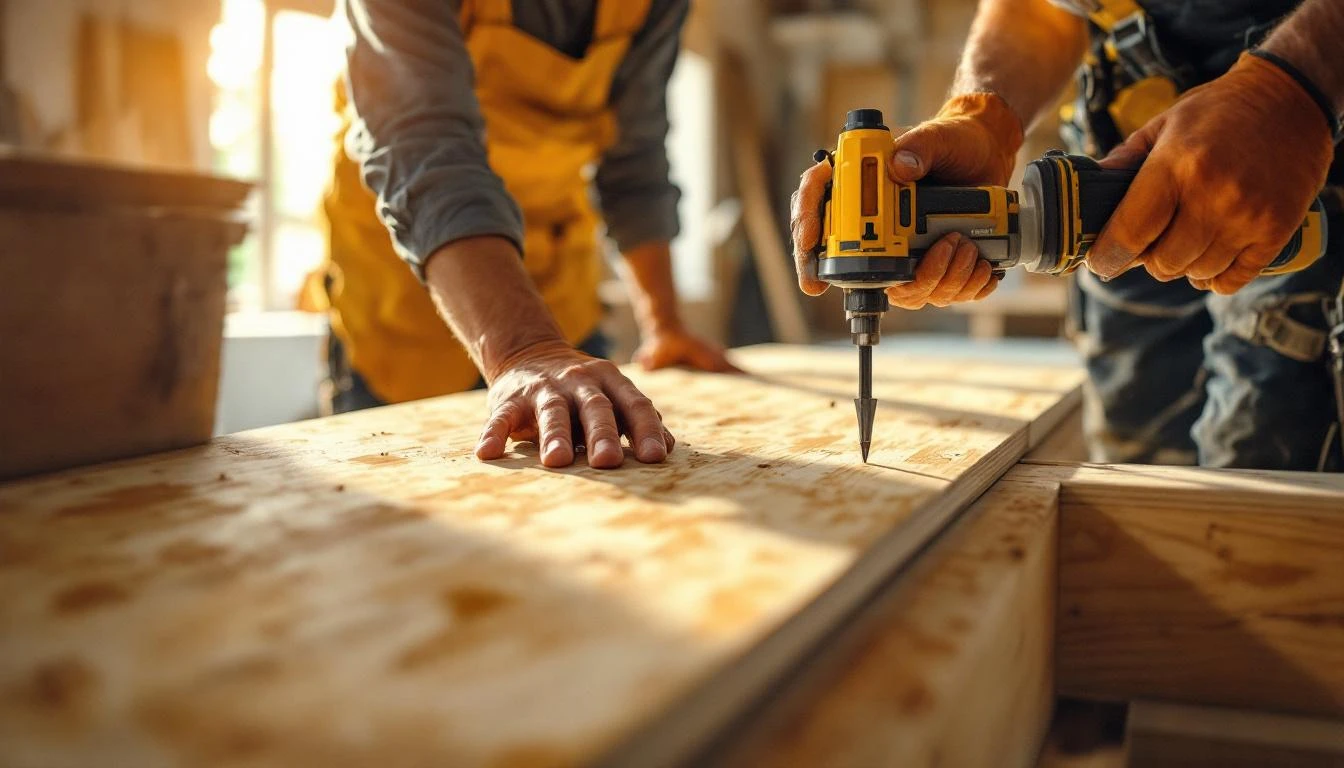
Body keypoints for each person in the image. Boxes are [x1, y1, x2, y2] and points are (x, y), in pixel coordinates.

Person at [792, 0, 1344, 471]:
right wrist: (982, 116)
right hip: (1118, 152)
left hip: (1296, 137)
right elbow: (1041, 8)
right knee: (1134, 462)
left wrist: (1289, 91)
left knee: (1260, 457)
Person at [315, 0, 736, 471]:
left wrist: (664, 326)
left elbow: (633, 159)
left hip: (556, 297)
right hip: (406, 297)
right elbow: (426, 149)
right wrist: (524, 349)